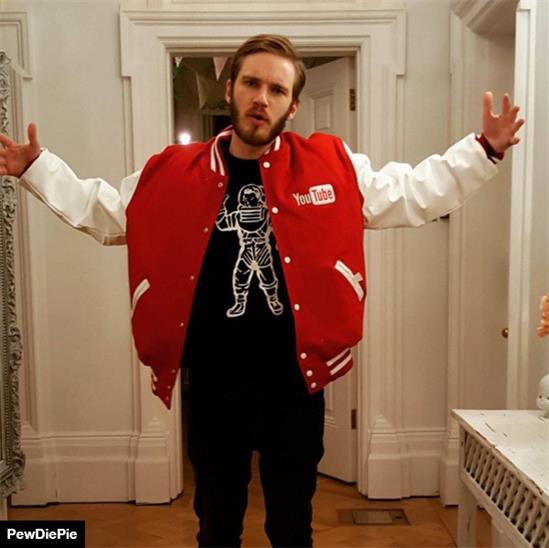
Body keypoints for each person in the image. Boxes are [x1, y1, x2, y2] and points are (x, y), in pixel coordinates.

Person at [0, 34, 523, 547]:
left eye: (277, 89)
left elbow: (411, 191)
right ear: (229, 88)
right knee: (217, 526)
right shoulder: (172, 171)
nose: (261, 98)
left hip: (296, 381)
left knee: (291, 527)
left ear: (293, 105)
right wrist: (38, 169)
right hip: (214, 382)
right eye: (251, 83)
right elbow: (108, 210)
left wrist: (483, 151)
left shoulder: (334, 165)